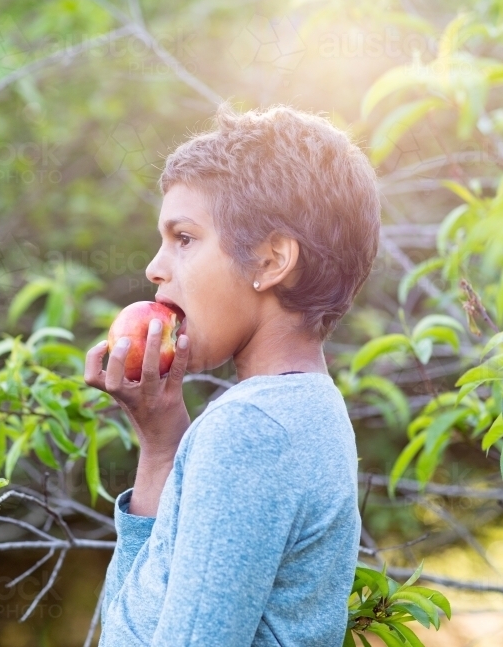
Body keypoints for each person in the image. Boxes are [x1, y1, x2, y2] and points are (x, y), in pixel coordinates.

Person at [84, 103, 381, 646]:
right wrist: (159, 448)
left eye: (185, 238)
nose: (155, 267)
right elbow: (135, 619)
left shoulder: (251, 429)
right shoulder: (302, 412)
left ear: (270, 261)